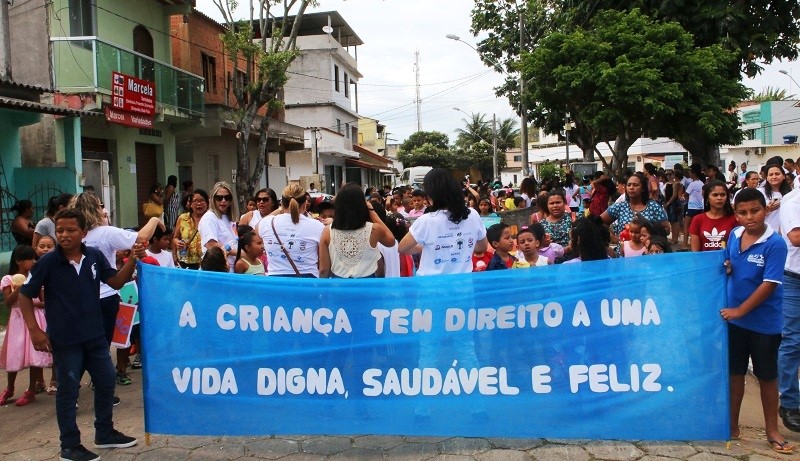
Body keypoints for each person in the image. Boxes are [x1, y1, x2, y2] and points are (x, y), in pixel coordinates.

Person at [19, 209, 142, 461]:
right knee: (68, 390)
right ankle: (70, 445)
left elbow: (116, 282)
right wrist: (35, 331)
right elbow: (24, 294)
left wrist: (132, 260)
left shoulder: (94, 256)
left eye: (70, 230)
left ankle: (105, 433)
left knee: (107, 381)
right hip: (65, 340)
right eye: (60, 230)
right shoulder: (48, 263)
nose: (64, 235)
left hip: (95, 335)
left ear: (83, 233)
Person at [721, 188, 791, 454]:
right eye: (742, 212)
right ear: (735, 214)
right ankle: (732, 426)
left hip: (763, 323)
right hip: (734, 322)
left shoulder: (775, 243)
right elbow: (729, 267)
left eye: (755, 211)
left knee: (767, 376)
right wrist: (727, 266)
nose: (749, 217)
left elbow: (769, 285)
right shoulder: (734, 235)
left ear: (766, 210)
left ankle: (772, 431)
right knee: (735, 373)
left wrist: (740, 310)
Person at [69, 192, 162, 387]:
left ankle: (72, 388)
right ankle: (100, 386)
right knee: (100, 346)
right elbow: (142, 238)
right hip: (106, 296)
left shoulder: (70, 236)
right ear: (95, 210)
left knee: (80, 345)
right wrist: (154, 218)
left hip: (77, 299)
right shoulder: (106, 233)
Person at [399, 168, 488, 275]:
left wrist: (427, 247)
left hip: (431, 286)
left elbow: (402, 248)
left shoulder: (426, 221)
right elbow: (482, 246)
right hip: (463, 285)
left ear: (430, 195)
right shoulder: (473, 215)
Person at [0, 245, 49, 407]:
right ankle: (10, 387)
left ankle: (31, 389)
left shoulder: (36, 278)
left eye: (35, 258)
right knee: (14, 353)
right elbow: (8, 302)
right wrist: (21, 288)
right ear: (19, 261)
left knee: (33, 355)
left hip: (34, 318)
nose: (34, 262)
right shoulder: (9, 279)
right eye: (30, 259)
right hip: (17, 321)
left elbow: (43, 302)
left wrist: (34, 302)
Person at [319, 183, 395, 279]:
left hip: (338, 287)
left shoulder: (327, 232)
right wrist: (372, 212)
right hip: (367, 287)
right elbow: (391, 241)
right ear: (362, 205)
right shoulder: (374, 229)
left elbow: (324, 270)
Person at [258, 183, 324, 277]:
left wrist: (280, 209)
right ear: (305, 204)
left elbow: (257, 228)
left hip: (276, 282)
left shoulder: (267, 223)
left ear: (281, 203)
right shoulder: (317, 226)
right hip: (307, 282)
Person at [778, 185, 800, 433]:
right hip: (795, 278)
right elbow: (796, 236)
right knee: (793, 341)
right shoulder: (793, 201)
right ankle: (790, 404)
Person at [600, 172, 669, 242]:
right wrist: (613, 237)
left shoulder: (654, 207)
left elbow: (667, 229)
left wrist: (650, 234)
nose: (631, 188)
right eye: (629, 185)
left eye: (635, 185)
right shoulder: (620, 206)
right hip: (624, 251)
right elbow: (599, 222)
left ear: (643, 188)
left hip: (648, 250)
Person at [199, 182, 238, 272]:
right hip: (215, 269)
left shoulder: (230, 219)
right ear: (213, 199)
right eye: (219, 198)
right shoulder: (209, 218)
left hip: (230, 269)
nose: (223, 201)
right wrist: (237, 252)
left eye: (227, 198)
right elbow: (211, 245)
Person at [689, 180, 738, 252]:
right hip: (705, 262)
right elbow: (695, 252)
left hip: (728, 262)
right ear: (707, 197)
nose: (719, 198)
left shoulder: (735, 219)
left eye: (723, 195)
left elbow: (738, 246)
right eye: (715, 195)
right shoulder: (698, 219)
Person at [173, 189, 208, 269]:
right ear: (190, 204)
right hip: (185, 262)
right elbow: (175, 238)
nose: (199, 204)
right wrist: (178, 243)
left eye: (202, 200)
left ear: (207, 203)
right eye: (195, 201)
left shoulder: (211, 219)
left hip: (204, 263)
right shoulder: (182, 218)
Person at [757, 164, 792, 234]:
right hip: (765, 232)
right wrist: (767, 210)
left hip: (785, 233)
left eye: (777, 174)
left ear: (783, 176)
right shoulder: (759, 192)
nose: (774, 177)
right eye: (771, 175)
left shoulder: (791, 193)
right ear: (766, 177)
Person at [683, 165, 705, 249]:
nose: (689, 174)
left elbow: (686, 194)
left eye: (690, 172)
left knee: (686, 225)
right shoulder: (702, 183)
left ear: (694, 174)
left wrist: (686, 197)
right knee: (697, 227)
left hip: (692, 207)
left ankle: (685, 244)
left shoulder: (692, 184)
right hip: (700, 208)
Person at [664, 170, 685, 246]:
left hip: (673, 204)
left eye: (670, 174)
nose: (668, 176)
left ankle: (674, 239)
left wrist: (668, 203)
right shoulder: (667, 184)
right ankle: (674, 238)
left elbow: (674, 195)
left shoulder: (675, 184)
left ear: (673, 175)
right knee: (672, 222)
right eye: (667, 174)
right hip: (669, 204)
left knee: (674, 222)